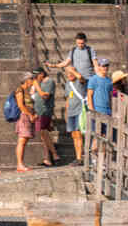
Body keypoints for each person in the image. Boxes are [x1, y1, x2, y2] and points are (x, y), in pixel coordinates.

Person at [56, 32, 95, 163]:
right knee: (75, 135)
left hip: (81, 111)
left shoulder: (81, 81)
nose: (70, 74)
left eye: (82, 43)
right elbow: (67, 99)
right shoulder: (67, 84)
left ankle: (87, 157)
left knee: (83, 134)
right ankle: (78, 158)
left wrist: (74, 71)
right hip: (72, 112)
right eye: (68, 73)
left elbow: (81, 77)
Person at [30, 66, 58, 166]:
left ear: (41, 74)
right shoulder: (40, 83)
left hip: (44, 111)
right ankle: (47, 158)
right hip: (39, 111)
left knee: (43, 132)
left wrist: (36, 86)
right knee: (43, 135)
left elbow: (45, 96)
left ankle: (54, 154)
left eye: (36, 75)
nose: (35, 78)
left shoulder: (48, 82)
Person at [14, 71, 36, 171]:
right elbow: (20, 105)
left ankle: (21, 163)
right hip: (24, 117)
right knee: (22, 140)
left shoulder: (27, 91)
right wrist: (30, 114)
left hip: (28, 116)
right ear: (27, 80)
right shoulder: (20, 90)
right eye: (32, 79)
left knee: (24, 140)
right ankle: (19, 164)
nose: (33, 81)